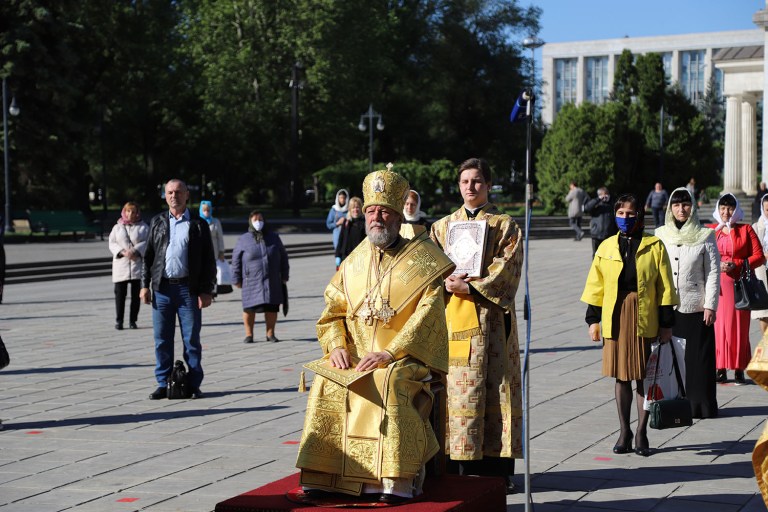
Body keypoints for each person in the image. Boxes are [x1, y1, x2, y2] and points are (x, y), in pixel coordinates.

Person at [296, 166, 455, 504]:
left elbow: (428, 315)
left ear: (398, 216)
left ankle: (393, 481)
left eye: (385, 211)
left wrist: (390, 352)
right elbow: (332, 312)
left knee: (388, 379)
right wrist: (338, 346)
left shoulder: (425, 260)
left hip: (406, 357)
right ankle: (323, 478)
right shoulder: (353, 261)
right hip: (356, 354)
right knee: (329, 378)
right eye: (371, 211)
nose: (376, 217)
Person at [430, 157, 523, 492]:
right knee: (454, 396)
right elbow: (430, 270)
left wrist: (471, 286)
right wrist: (444, 282)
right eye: (465, 181)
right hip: (452, 321)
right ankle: (454, 468)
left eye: (478, 181)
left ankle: (496, 471)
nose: (471, 187)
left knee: (494, 392)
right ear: (459, 186)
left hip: (491, 324)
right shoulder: (441, 227)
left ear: (488, 185)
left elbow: (508, 269)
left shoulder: (505, 225)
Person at [581, 193, 678, 457]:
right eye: (620, 213)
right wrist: (593, 320)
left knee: (644, 376)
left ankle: (642, 431)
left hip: (644, 313)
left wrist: (667, 323)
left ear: (640, 215)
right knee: (621, 375)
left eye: (630, 213)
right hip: (615, 314)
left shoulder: (654, 245)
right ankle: (624, 430)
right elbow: (596, 286)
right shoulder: (606, 247)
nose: (625, 218)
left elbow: (665, 287)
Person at [140, 179, 216, 400]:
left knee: (191, 339)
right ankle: (163, 383)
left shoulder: (198, 224)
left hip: (187, 290)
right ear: (165, 196)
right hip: (162, 289)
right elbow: (148, 257)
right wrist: (144, 285)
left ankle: (193, 384)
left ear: (186, 196)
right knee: (161, 339)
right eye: (170, 192)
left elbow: (208, 261)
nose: (174, 196)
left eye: (178, 192)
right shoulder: (157, 222)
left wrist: (206, 290)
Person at [655, 188, 720, 418]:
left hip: (696, 307)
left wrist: (711, 305)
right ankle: (673, 404)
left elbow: (713, 272)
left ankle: (700, 405)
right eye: (676, 205)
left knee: (698, 359)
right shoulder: (660, 234)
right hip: (668, 307)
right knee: (671, 359)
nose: (681, 209)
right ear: (670, 208)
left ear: (692, 207)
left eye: (685, 205)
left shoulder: (705, 235)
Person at [709, 193, 765, 384]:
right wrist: (718, 263)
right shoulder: (712, 231)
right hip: (719, 286)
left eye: (730, 208)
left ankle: (739, 367)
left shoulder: (746, 229)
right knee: (720, 328)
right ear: (718, 209)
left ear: (736, 209)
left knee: (739, 329)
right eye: (723, 208)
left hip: (739, 285)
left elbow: (760, 256)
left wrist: (738, 263)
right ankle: (720, 367)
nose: (726, 212)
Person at [231, 211, 289, 344]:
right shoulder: (243, 239)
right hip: (251, 281)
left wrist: (284, 274)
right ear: (250, 221)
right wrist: (236, 278)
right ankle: (249, 334)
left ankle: (270, 333)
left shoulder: (273, 237)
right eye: (255, 219)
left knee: (272, 307)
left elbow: (283, 256)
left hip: (272, 279)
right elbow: (236, 260)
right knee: (249, 308)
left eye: (260, 219)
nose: (258, 222)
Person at [108, 202, 149, 330]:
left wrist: (136, 250)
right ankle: (119, 320)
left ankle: (133, 320)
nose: (130, 214)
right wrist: (121, 252)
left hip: (136, 265)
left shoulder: (143, 227)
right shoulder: (117, 227)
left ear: (137, 213)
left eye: (132, 211)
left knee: (136, 296)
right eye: (127, 211)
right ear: (124, 212)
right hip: (121, 265)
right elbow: (112, 243)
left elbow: (147, 242)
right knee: (120, 295)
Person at [583, 186, 617, 258]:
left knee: (609, 255)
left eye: (607, 194)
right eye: (602, 194)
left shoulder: (612, 204)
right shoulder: (596, 204)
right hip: (596, 234)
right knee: (596, 255)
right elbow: (586, 208)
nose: (605, 196)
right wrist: (598, 199)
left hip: (609, 235)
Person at [753, 193, 768, 334]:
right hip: (762, 272)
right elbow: (753, 251)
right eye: (767, 209)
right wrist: (763, 255)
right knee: (764, 312)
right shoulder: (756, 227)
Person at [334, 196, 365, 266]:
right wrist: (337, 255)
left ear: (361, 208)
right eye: (353, 208)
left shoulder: (364, 222)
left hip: (359, 258)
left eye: (357, 207)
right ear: (350, 209)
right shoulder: (346, 222)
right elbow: (340, 239)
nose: (355, 210)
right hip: (346, 256)